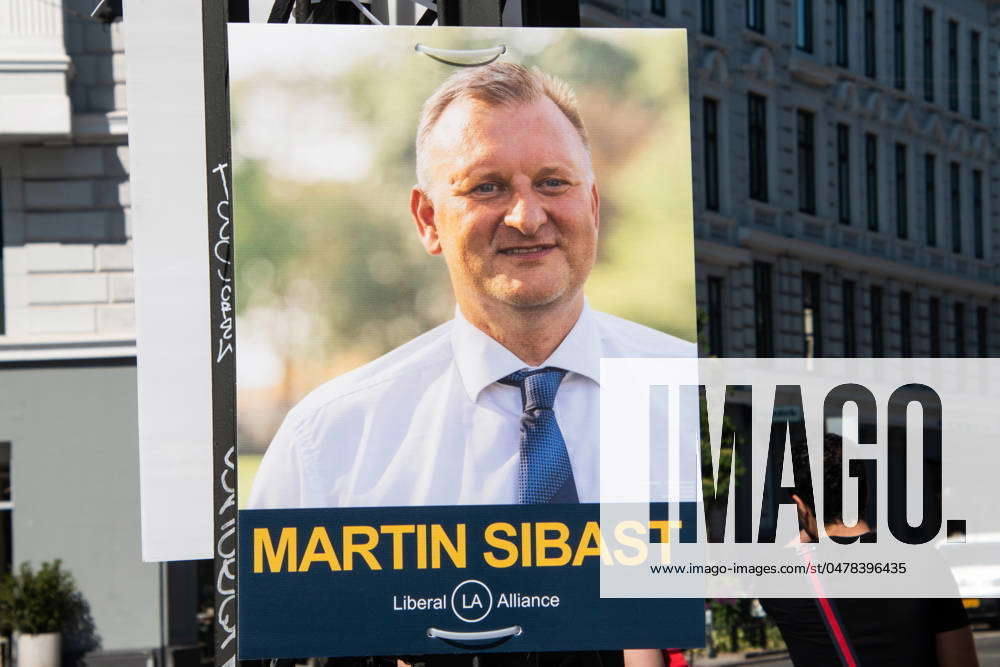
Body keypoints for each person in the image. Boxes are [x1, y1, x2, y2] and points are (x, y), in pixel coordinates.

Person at [248, 62, 694, 667]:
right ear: (428, 220)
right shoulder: (329, 447)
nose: (527, 216)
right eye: (487, 186)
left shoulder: (710, 404)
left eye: (553, 182)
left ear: (592, 203)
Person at [760, 434, 978, 667]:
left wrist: (806, 526)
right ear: (865, 490)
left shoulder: (779, 582)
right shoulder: (926, 564)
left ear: (800, 506)